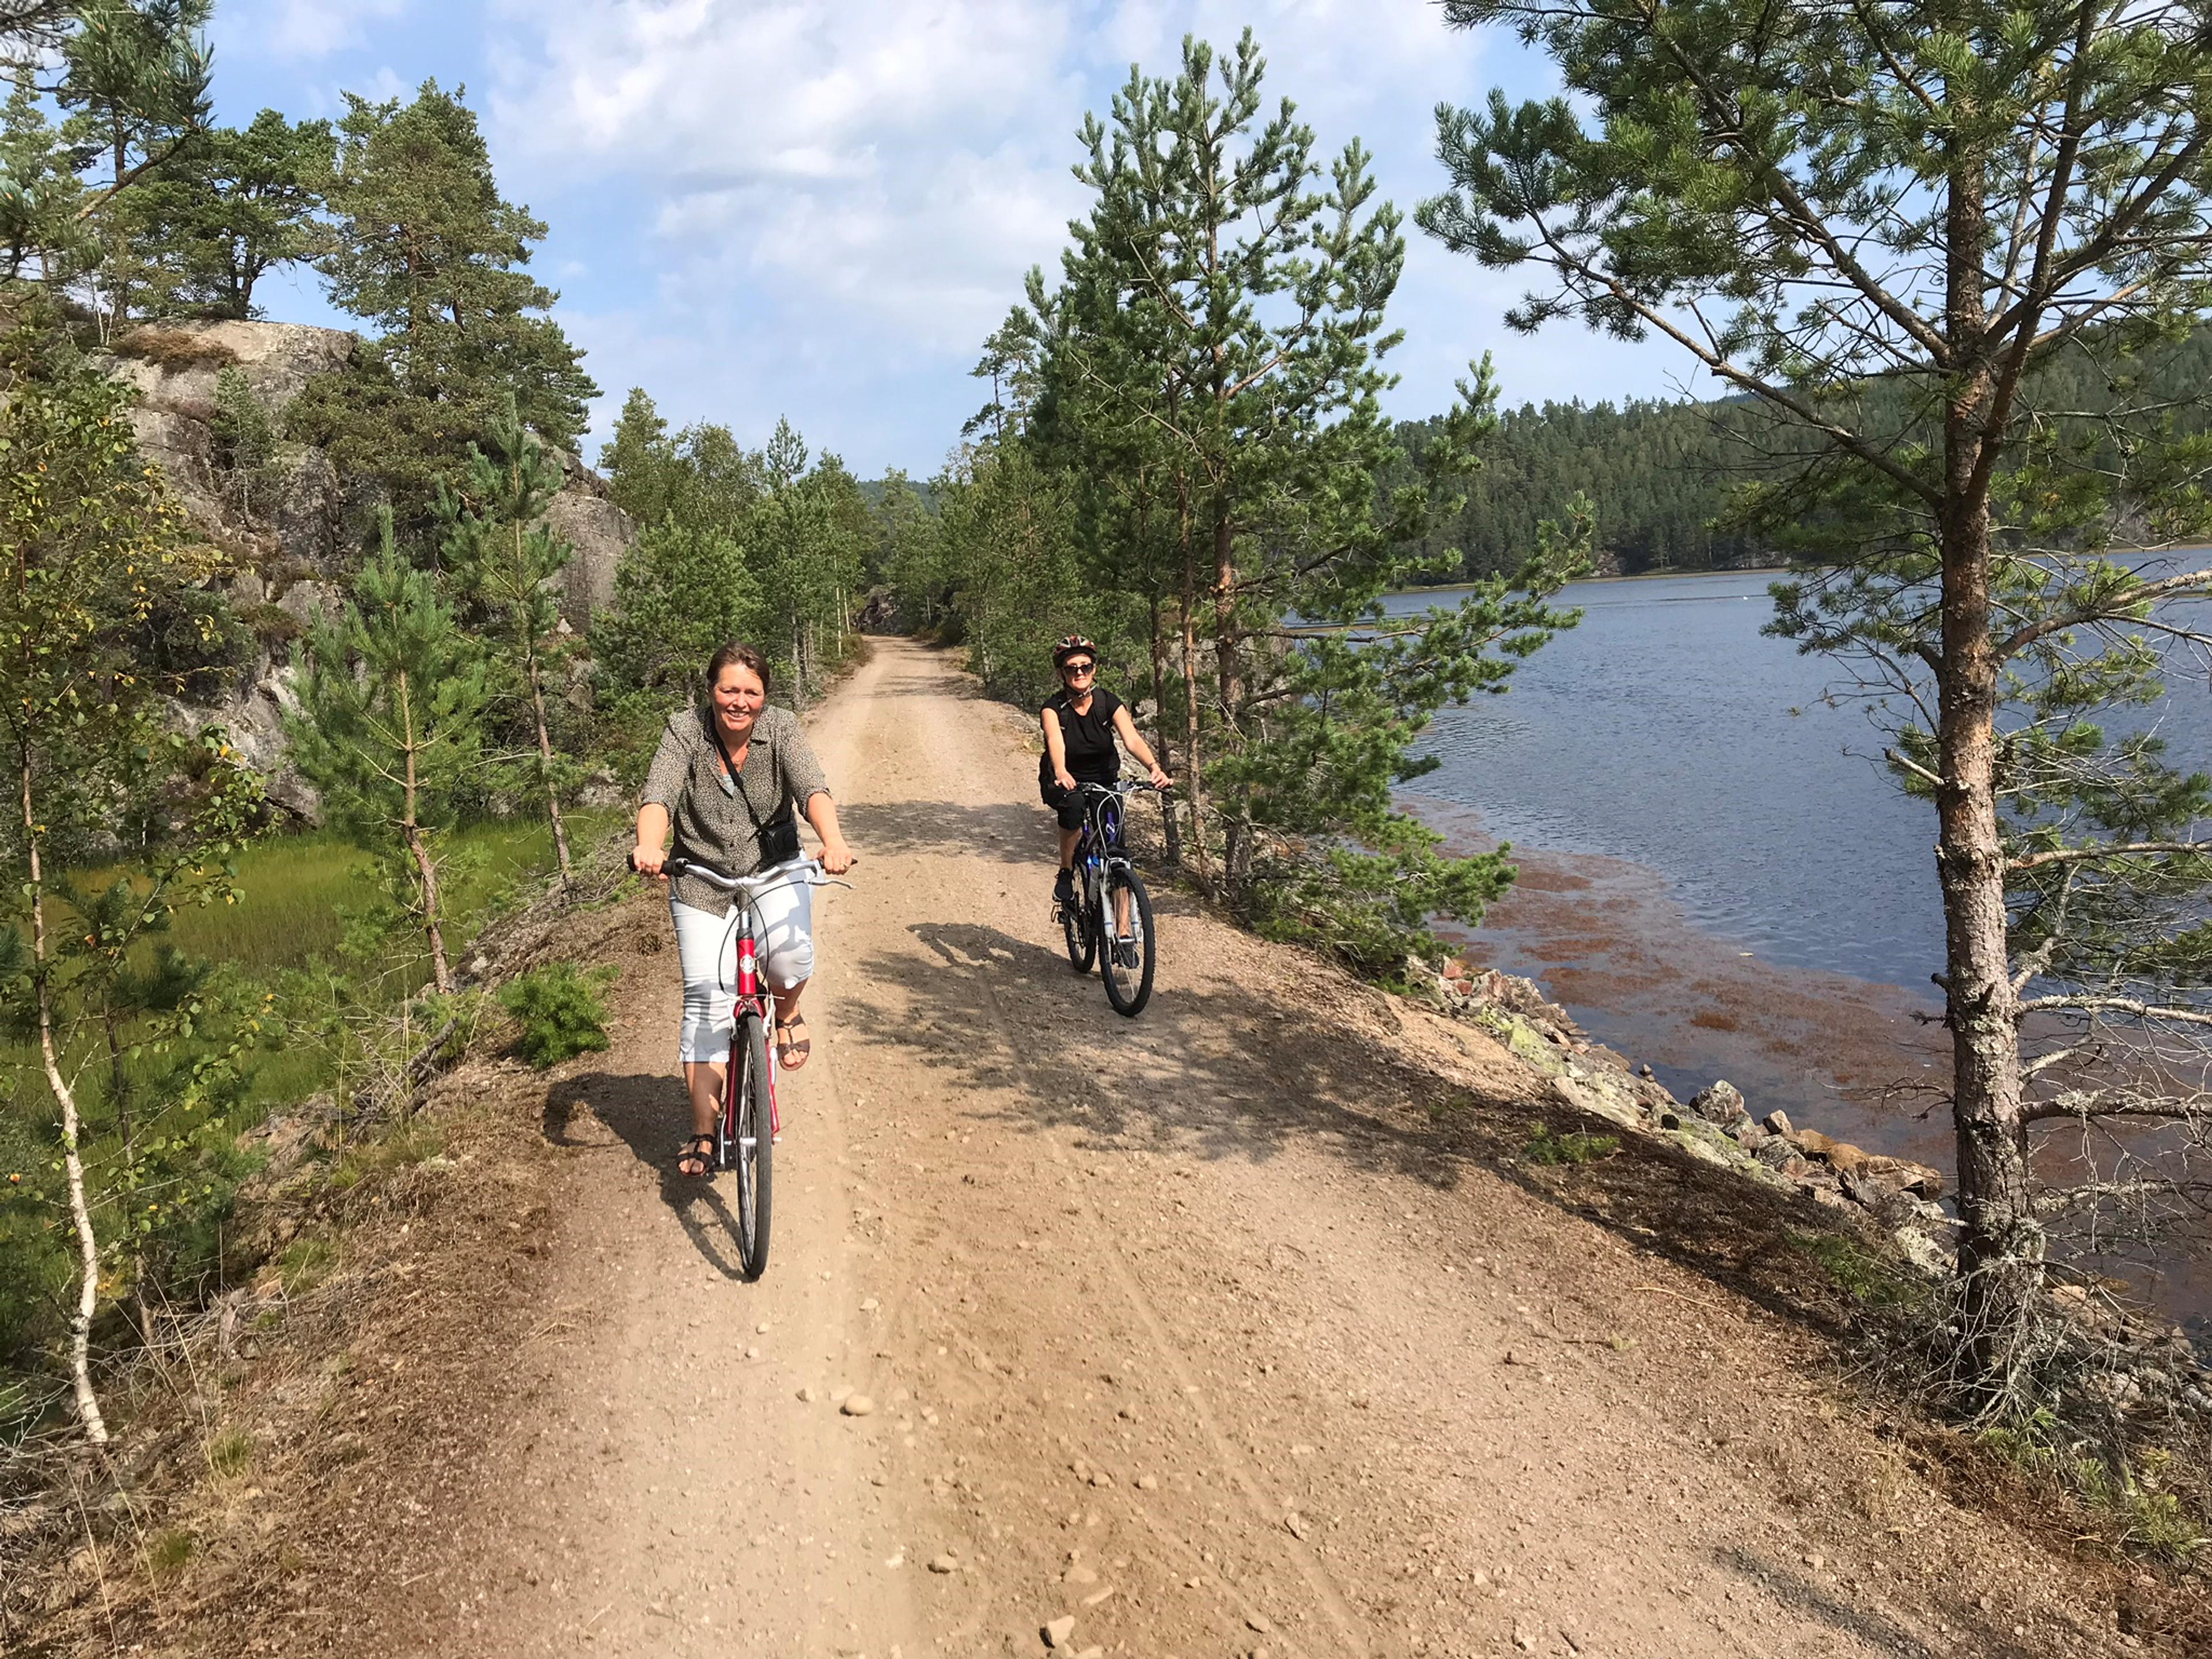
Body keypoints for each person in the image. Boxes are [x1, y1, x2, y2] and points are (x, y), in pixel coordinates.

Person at [633, 643, 855, 1179]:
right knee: (706, 999)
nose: (739, 702)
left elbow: (812, 787)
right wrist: (649, 845)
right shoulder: (684, 732)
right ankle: (704, 1133)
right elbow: (658, 796)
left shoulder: (780, 728)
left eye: (750, 692)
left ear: (764, 697)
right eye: (728, 690)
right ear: (710, 691)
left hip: (771, 871)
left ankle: (786, 1013)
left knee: (791, 955)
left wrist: (833, 839)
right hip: (701, 881)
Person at [1040, 635, 1171, 908]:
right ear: (1061, 673)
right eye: (1071, 668)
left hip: (1104, 779)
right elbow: (1055, 741)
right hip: (1066, 778)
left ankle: (1123, 935)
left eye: (1085, 666)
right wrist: (1062, 771)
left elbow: (1132, 739)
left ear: (1094, 669)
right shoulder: (1053, 709)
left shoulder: (1107, 702)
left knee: (1117, 854)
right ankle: (1066, 870)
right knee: (1073, 808)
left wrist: (1154, 768)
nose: (1079, 673)